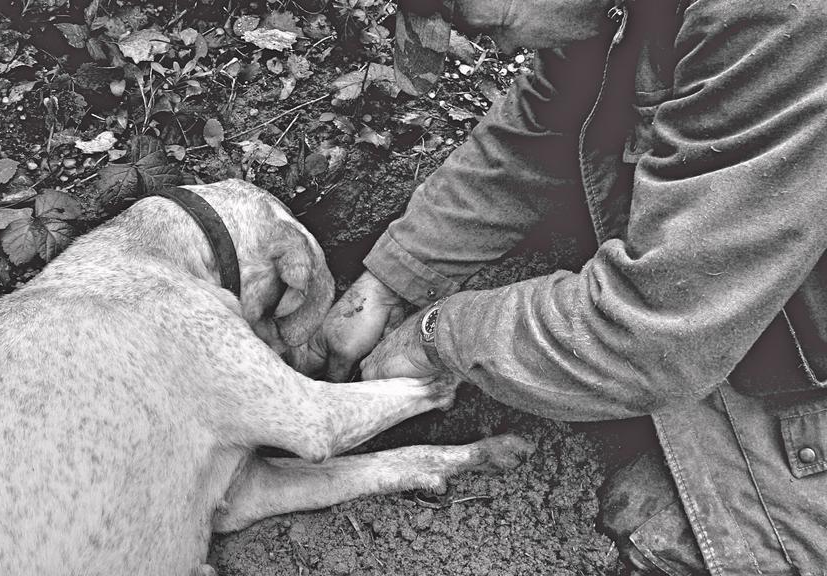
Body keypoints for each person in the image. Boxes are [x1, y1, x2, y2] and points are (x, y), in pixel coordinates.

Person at [306, 0, 827, 574]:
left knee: (641, 533)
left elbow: (649, 335)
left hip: (788, 393)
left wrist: (436, 336)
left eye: (476, 24)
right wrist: (387, 283)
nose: (487, 50)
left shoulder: (773, 21)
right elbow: (546, 126)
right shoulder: (610, 13)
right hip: (718, 295)